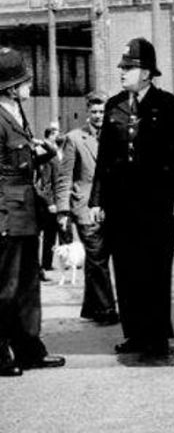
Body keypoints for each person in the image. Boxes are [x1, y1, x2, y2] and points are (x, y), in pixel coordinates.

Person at [89, 37, 174, 360]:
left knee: (156, 270)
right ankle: (134, 333)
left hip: (157, 204)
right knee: (127, 269)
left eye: (129, 68)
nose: (122, 73)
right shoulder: (114, 106)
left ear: (146, 73)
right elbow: (104, 159)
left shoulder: (169, 106)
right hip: (122, 206)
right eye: (122, 67)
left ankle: (157, 336)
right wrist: (97, 201)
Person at [0, 46, 65, 376]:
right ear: (10, 86)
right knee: (5, 288)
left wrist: (42, 154)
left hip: (25, 212)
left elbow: (19, 160)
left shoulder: (15, 112)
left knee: (27, 286)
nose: (29, 85)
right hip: (7, 214)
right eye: (24, 81)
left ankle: (29, 349)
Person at [56, 92, 118, 325]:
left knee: (96, 260)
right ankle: (106, 310)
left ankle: (91, 307)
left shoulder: (115, 137)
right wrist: (63, 210)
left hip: (110, 206)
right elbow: (64, 177)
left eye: (102, 111)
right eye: (94, 112)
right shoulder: (74, 138)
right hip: (84, 207)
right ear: (87, 112)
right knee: (97, 256)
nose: (98, 116)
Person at [36, 123, 61, 281]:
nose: (59, 134)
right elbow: (45, 182)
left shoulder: (57, 151)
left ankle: (47, 263)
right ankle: (43, 264)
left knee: (52, 234)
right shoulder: (46, 152)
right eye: (57, 132)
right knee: (46, 233)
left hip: (57, 198)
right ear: (51, 134)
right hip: (47, 202)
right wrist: (50, 202)